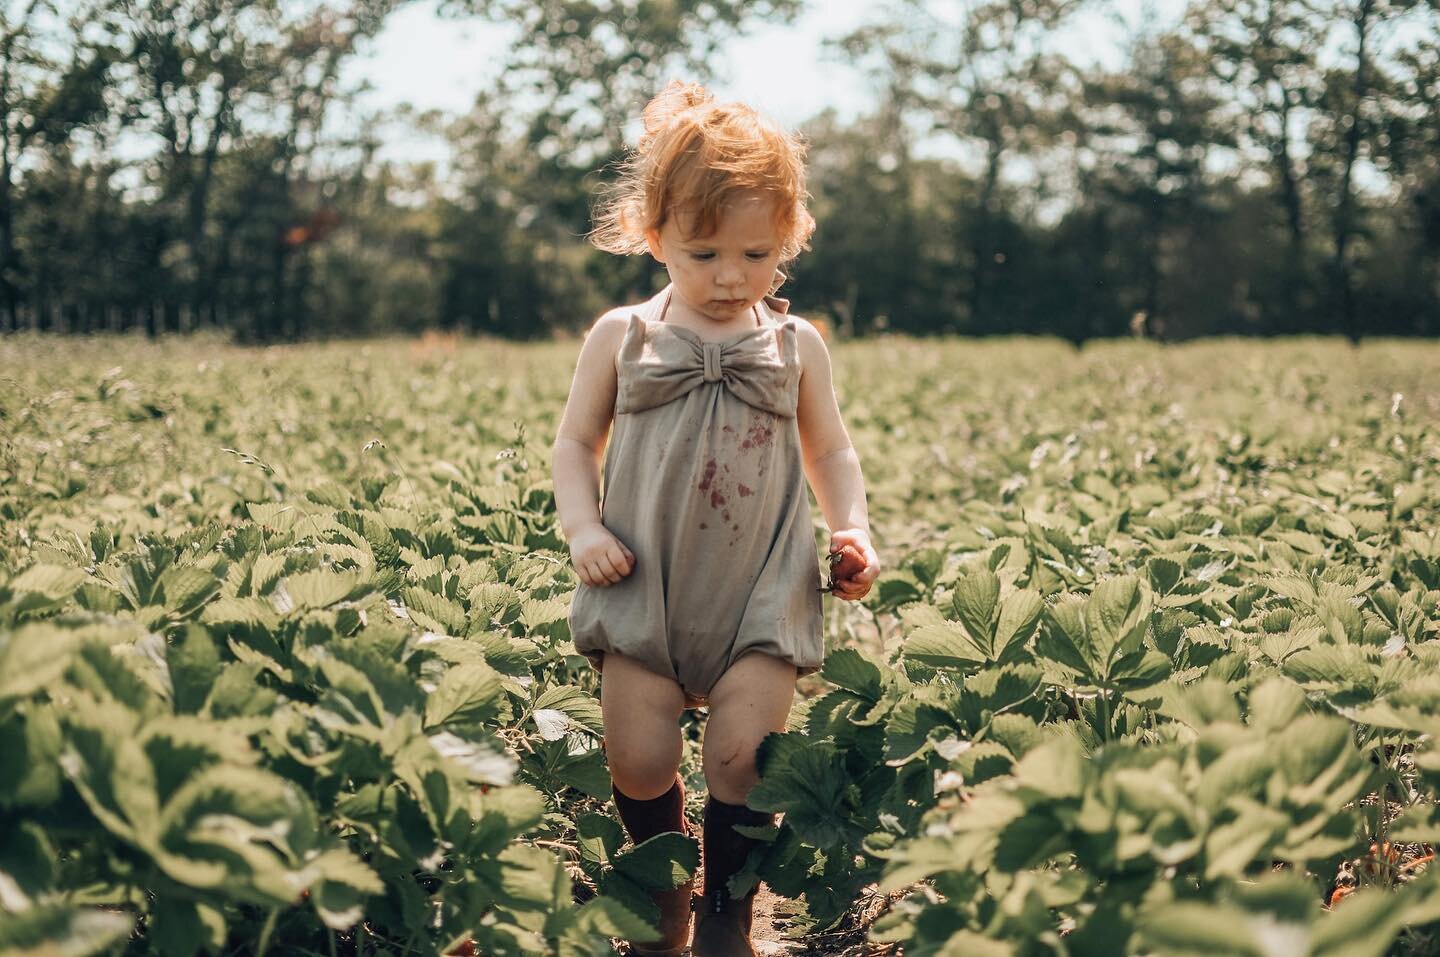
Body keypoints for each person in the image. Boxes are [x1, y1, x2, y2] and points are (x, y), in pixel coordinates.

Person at [552, 80, 880, 957]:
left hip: (759, 593)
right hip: (643, 586)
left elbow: (832, 453)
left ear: (790, 240)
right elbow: (575, 446)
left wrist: (854, 528)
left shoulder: (794, 343)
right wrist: (585, 530)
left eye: (756, 253)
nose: (731, 276)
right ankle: (666, 896)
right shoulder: (621, 335)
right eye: (703, 254)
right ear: (653, 236)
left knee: (742, 758)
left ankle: (733, 907)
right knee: (638, 759)